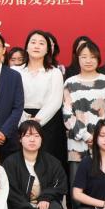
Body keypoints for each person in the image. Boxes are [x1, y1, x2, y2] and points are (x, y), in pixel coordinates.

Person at [4, 120, 71, 209]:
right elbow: (12, 195)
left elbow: (60, 185)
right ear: (20, 139)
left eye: (36, 135)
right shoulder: (10, 163)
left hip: (44, 208)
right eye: (27, 136)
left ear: (42, 139)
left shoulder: (52, 162)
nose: (32, 139)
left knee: (53, 207)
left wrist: (46, 197)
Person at [62, 40, 105, 188]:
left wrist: (100, 136)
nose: (88, 60)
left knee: (104, 186)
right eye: (84, 56)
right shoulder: (70, 83)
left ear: (98, 59)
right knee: (78, 187)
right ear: (77, 59)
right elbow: (67, 115)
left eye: (93, 57)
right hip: (77, 145)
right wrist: (86, 136)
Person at [17, 30, 67, 169]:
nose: (36, 46)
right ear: (26, 47)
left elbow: (55, 101)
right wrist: (24, 120)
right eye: (33, 42)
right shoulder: (16, 71)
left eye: (41, 43)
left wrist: (37, 121)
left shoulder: (54, 72)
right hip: (20, 119)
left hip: (48, 122)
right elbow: (13, 99)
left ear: (47, 50)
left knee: (47, 164)